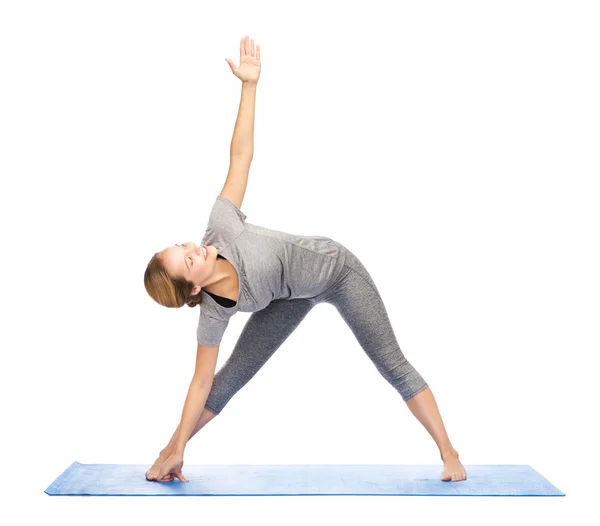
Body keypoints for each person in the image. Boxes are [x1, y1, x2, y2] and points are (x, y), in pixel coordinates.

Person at [143, 36, 467, 484]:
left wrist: (249, 86)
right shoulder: (213, 314)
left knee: (390, 362)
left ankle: (450, 454)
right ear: (194, 288)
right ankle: (170, 451)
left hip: (334, 271)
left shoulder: (222, 226)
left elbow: (241, 156)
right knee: (227, 381)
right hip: (287, 298)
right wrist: (177, 446)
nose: (194, 248)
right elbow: (201, 383)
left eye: (184, 245)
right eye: (187, 261)